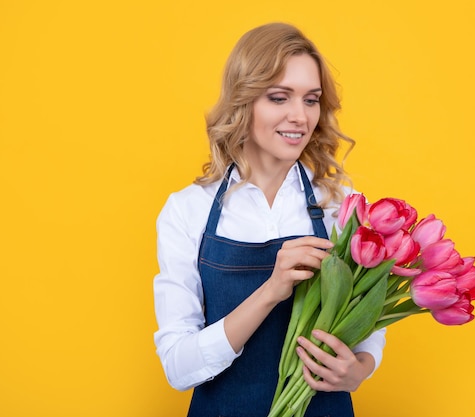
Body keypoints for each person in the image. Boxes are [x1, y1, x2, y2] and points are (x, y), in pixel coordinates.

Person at [153, 22, 386, 417]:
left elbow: (368, 331)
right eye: (279, 97)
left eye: (311, 100)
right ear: (244, 101)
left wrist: (359, 370)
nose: (300, 116)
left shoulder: (340, 206)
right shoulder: (188, 210)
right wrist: (270, 291)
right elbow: (178, 368)